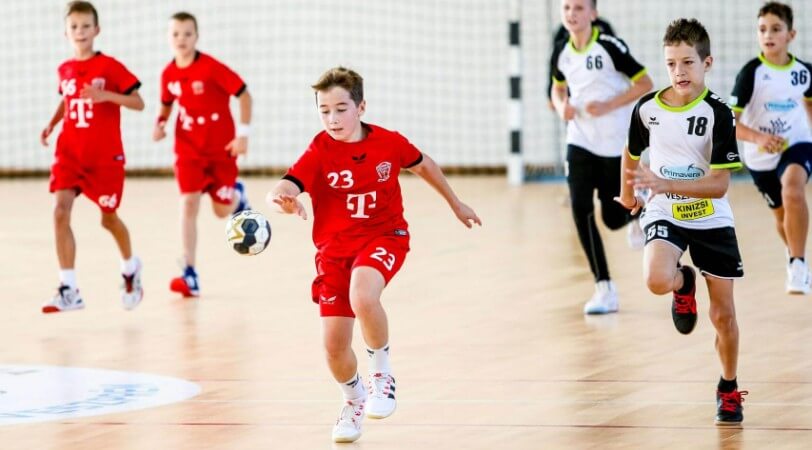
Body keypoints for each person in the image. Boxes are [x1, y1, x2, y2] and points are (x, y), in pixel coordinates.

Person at [266, 67, 481, 443]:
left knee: (363, 295)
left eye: (341, 109)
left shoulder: (388, 143)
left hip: (385, 236)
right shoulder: (319, 150)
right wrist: (281, 200)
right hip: (334, 252)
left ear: (361, 107)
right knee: (333, 347)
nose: (333, 119)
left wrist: (455, 203)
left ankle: (381, 373)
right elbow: (285, 185)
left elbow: (424, 165)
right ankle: (354, 400)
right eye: (324, 111)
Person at [616, 18, 747, 426]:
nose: (679, 71)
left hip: (710, 216)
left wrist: (666, 182)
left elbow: (720, 185)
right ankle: (682, 283)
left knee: (723, 316)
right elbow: (630, 153)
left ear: (707, 63)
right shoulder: (648, 109)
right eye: (671, 63)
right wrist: (628, 195)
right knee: (656, 279)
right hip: (665, 210)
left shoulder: (719, 113)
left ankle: (728, 387)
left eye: (688, 62)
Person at [40, 1, 145, 313]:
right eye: (74, 27)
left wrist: (106, 96)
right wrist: (52, 123)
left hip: (104, 158)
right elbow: (68, 99)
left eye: (86, 26)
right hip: (70, 153)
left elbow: (138, 102)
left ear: (96, 30)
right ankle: (69, 288)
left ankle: (130, 267)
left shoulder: (110, 67)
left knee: (108, 220)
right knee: (60, 212)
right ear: (66, 33)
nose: (80, 31)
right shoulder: (65, 69)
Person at [550, 0, 653, 314]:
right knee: (580, 208)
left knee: (611, 217)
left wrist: (609, 105)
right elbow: (557, 88)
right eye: (567, 7)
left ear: (593, 14)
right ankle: (604, 287)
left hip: (614, 144)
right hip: (579, 140)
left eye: (579, 8)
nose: (572, 13)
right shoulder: (561, 51)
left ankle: (637, 210)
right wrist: (561, 107)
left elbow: (645, 83)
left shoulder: (609, 46)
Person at [153, 11, 253, 298]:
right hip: (188, 149)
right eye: (175, 34)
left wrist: (242, 135)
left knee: (221, 211)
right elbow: (166, 103)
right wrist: (160, 123)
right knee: (188, 204)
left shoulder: (211, 68)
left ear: (196, 36)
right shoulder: (168, 74)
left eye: (187, 33)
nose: (181, 39)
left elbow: (244, 95)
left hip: (221, 149)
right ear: (168, 38)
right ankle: (189, 273)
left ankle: (237, 197)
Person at [729, 1, 812, 294]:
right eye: (762, 29)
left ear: (791, 35)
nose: (768, 35)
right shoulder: (750, 73)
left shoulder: (804, 72)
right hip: (760, 156)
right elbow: (729, 122)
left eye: (776, 29)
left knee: (793, 189)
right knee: (781, 215)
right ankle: (794, 254)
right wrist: (760, 138)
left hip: (797, 144)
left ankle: (798, 265)